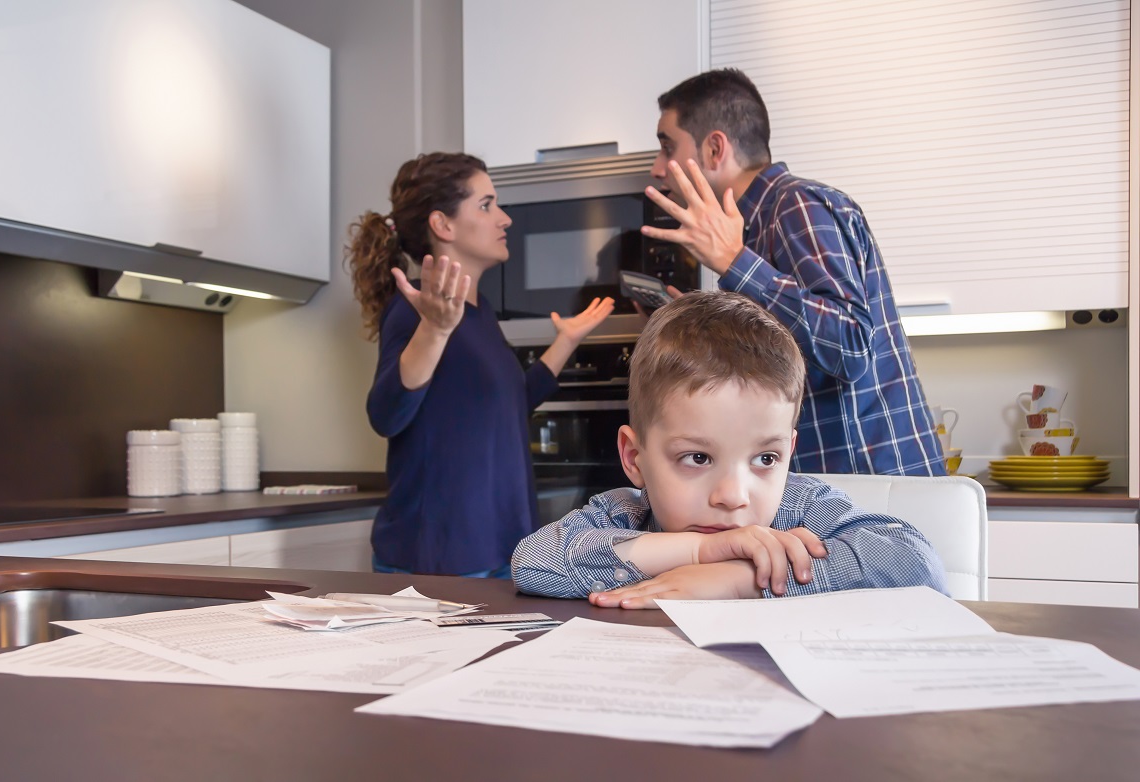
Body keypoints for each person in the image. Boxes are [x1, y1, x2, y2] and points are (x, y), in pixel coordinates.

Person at [511, 291, 948, 607]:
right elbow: (532, 561)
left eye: (765, 459)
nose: (733, 495)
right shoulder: (624, 512)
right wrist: (698, 553)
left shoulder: (801, 509)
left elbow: (918, 562)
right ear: (633, 458)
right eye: (698, 458)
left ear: (789, 454)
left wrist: (742, 581)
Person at [641, 68, 944, 476]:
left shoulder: (795, 205)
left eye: (667, 147)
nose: (658, 168)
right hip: (829, 488)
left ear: (715, 149)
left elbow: (851, 344)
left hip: (873, 487)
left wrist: (735, 262)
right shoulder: (748, 228)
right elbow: (780, 362)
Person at [346, 152, 615, 577]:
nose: (504, 219)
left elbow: (508, 405)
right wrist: (434, 329)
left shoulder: (481, 312)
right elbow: (386, 413)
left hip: (500, 549)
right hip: (441, 559)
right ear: (443, 225)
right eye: (486, 205)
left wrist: (566, 342)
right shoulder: (415, 309)